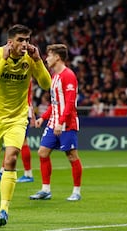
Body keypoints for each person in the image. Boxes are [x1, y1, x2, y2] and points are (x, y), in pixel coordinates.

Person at [0, 24, 51, 227]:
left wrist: (38, 60)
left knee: (10, 159)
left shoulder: (31, 58)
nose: (25, 44)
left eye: (27, 40)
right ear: (10, 42)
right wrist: (3, 60)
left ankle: (4, 209)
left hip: (17, 118)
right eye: (21, 40)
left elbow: (46, 84)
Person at [29, 43, 83, 202]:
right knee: (42, 152)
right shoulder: (55, 77)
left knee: (72, 156)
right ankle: (46, 190)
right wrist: (43, 117)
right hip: (53, 123)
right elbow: (55, 103)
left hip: (67, 124)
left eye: (50, 55)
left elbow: (70, 102)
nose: (47, 59)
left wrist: (61, 122)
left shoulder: (68, 75)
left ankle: (76, 191)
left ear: (58, 57)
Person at [0, 80, 35, 183]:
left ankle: (28, 174)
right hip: (17, 110)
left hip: (20, 111)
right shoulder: (25, 73)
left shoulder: (21, 75)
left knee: (22, 142)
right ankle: (3, 169)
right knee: (10, 140)